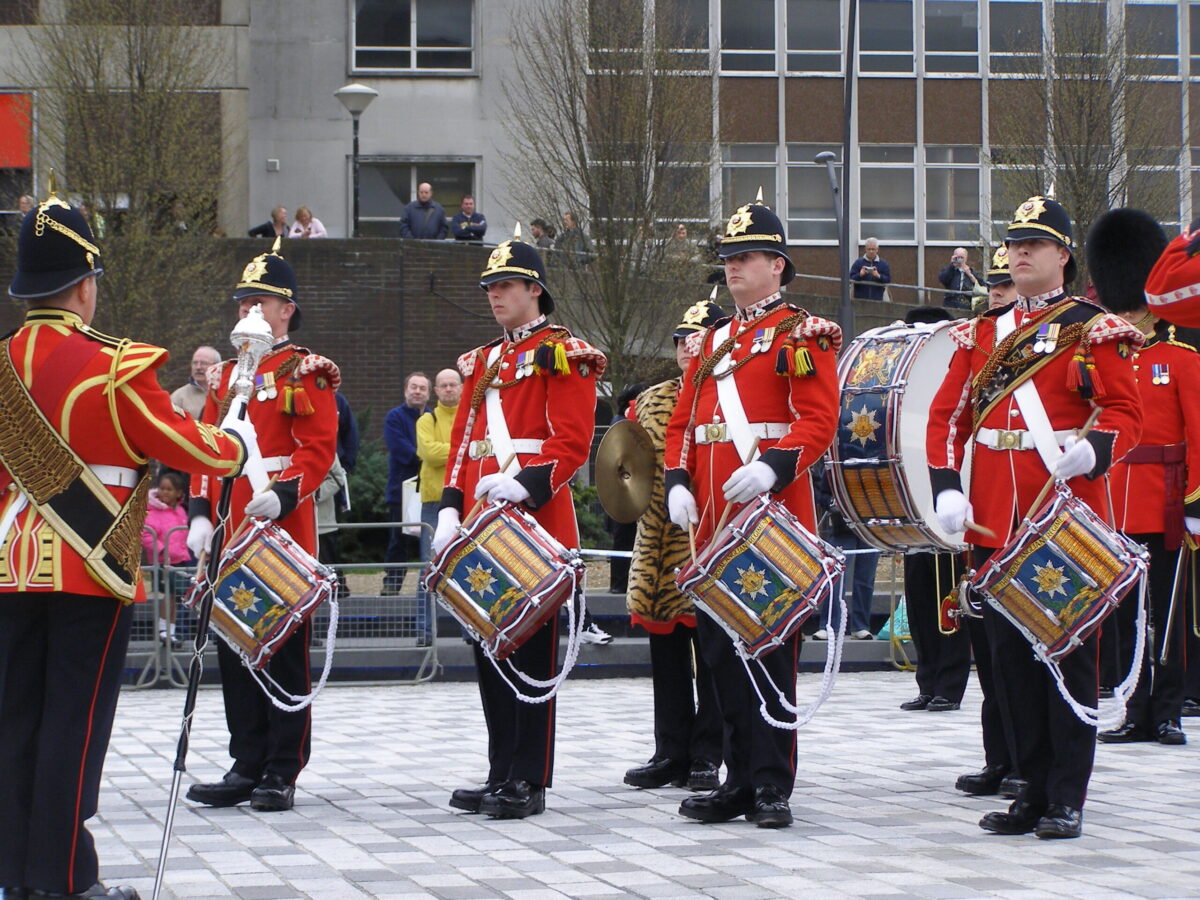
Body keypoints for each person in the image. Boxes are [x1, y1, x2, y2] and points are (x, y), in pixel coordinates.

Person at [0, 186, 250, 900]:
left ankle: (16, 877)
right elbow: (189, 447)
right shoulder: (112, 366)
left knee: (13, 725)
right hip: (88, 570)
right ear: (83, 286)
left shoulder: (0, 367)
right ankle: (65, 881)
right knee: (71, 733)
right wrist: (232, 442)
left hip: (9, 575)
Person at [927, 195, 1143, 839]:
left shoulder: (1092, 326)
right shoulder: (983, 332)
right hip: (995, 512)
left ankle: (1066, 796)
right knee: (1008, 659)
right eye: (1016, 242)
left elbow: (1127, 412)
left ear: (1063, 256)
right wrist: (946, 487)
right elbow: (947, 418)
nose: (1021, 252)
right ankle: (1026, 787)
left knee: (1068, 653)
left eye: (1036, 243)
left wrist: (1093, 450)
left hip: (1064, 507)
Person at [664, 197, 841, 829]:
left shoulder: (802, 332)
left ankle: (771, 784)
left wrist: (772, 467)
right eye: (728, 259)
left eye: (745, 258)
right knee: (718, 656)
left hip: (771, 517)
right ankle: (738, 779)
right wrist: (677, 477)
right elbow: (684, 421)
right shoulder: (713, 341)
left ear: (778, 265)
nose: (733, 269)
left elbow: (818, 419)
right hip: (712, 520)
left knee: (768, 654)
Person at [435, 233, 605, 819]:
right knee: (489, 651)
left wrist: (527, 485)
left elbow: (573, 442)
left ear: (535, 290)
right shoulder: (483, 360)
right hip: (482, 524)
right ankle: (500, 768)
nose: (495, 296)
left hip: (534, 522)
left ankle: (528, 778)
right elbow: (461, 446)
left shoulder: (564, 352)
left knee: (530, 653)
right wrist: (450, 507)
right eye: (489, 287)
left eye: (505, 285)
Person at [185, 239, 339, 814]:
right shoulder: (223, 378)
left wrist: (283, 494)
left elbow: (317, 449)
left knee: (281, 651)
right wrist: (200, 516)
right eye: (244, 300)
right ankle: (245, 759)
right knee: (233, 648)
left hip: (281, 528)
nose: (250, 310)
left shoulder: (307, 370)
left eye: (262, 300)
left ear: (286, 310)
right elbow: (206, 452)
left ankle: (281, 767)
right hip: (231, 528)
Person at [1088, 208, 1199, 748]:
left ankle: (1169, 709)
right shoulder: (1103, 357)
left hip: (1166, 501)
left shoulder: (1178, 358)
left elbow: (1198, 434)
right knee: (1127, 612)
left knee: (1169, 611)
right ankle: (1134, 707)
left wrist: (1197, 499)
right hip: (1113, 503)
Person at [623, 297, 725, 794]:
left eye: (698, 337)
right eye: (681, 339)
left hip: (709, 540)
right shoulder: (648, 400)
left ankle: (708, 753)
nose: (687, 346)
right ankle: (670, 751)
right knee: (665, 655)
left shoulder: (728, 395)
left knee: (713, 657)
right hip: (656, 543)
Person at [892, 307, 973, 713]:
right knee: (920, 598)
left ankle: (950, 683)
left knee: (948, 601)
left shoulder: (954, 361)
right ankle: (927, 680)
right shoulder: (907, 380)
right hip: (915, 495)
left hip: (945, 494)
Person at [415, 367, 462, 647]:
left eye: (452, 384)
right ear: (436, 391)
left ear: (460, 387)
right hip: (434, 501)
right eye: (442, 385)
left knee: (466, 566)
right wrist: (459, 448)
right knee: (428, 568)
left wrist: (448, 448)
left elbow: (477, 446)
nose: (447, 389)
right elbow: (428, 454)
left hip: (464, 500)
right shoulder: (426, 418)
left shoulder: (472, 416)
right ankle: (424, 632)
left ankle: (473, 631)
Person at [811, 466, 879, 641]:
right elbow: (822, 493)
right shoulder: (835, 464)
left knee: (865, 578)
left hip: (871, 526)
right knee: (835, 578)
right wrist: (834, 503)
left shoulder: (877, 463)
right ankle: (829, 625)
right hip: (842, 527)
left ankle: (861, 625)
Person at [382, 372, 430, 595]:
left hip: (430, 490)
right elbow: (400, 449)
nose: (417, 391)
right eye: (414, 387)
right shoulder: (394, 417)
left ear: (429, 394)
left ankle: (429, 586)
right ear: (405, 391)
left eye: (422, 388)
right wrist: (430, 456)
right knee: (398, 541)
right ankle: (392, 584)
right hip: (401, 490)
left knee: (430, 540)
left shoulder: (433, 417)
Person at [141, 470, 193, 645]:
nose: (165, 492)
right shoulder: (152, 512)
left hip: (179, 560)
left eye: (169, 489)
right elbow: (146, 536)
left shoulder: (179, 511)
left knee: (176, 597)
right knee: (168, 595)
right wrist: (162, 551)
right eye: (162, 488)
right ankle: (163, 629)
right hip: (163, 561)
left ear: (178, 493)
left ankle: (170, 630)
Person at [171, 345, 222, 419]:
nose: (198, 367)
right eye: (195, 363)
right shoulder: (178, 397)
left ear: (217, 366)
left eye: (203, 363)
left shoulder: (227, 392)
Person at [984, 245, 1018, 311]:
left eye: (1007, 284)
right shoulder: (978, 321)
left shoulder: (1042, 321)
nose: (995, 292)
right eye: (991, 285)